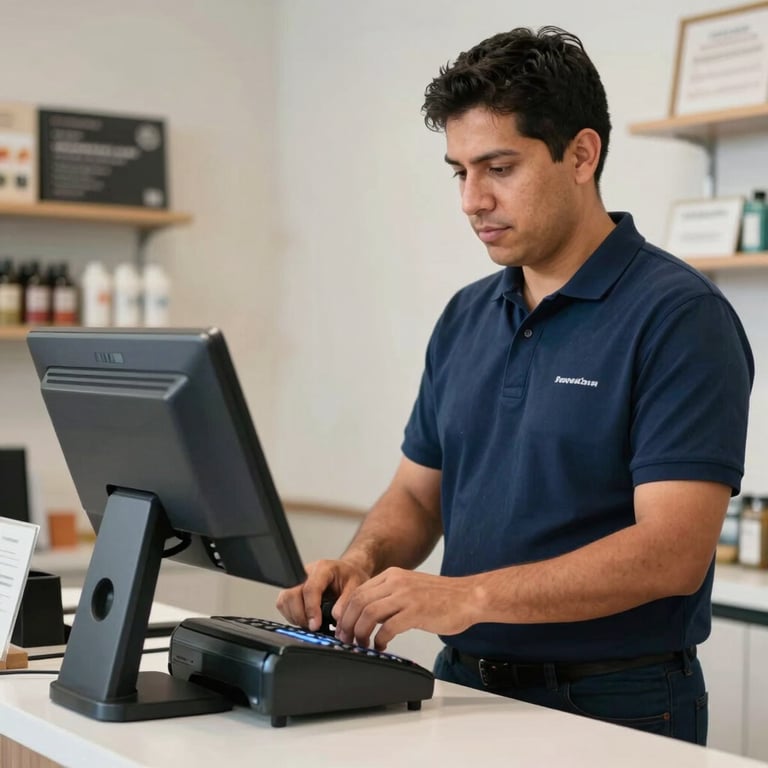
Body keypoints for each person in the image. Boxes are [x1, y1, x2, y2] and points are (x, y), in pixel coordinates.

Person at [276, 26, 753, 744]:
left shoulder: (680, 318)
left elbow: (672, 554)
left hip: (617, 700)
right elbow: (415, 494)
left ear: (581, 155)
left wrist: (465, 596)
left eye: (498, 167)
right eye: (459, 171)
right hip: (461, 681)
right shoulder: (468, 314)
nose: (472, 199)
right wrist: (359, 564)